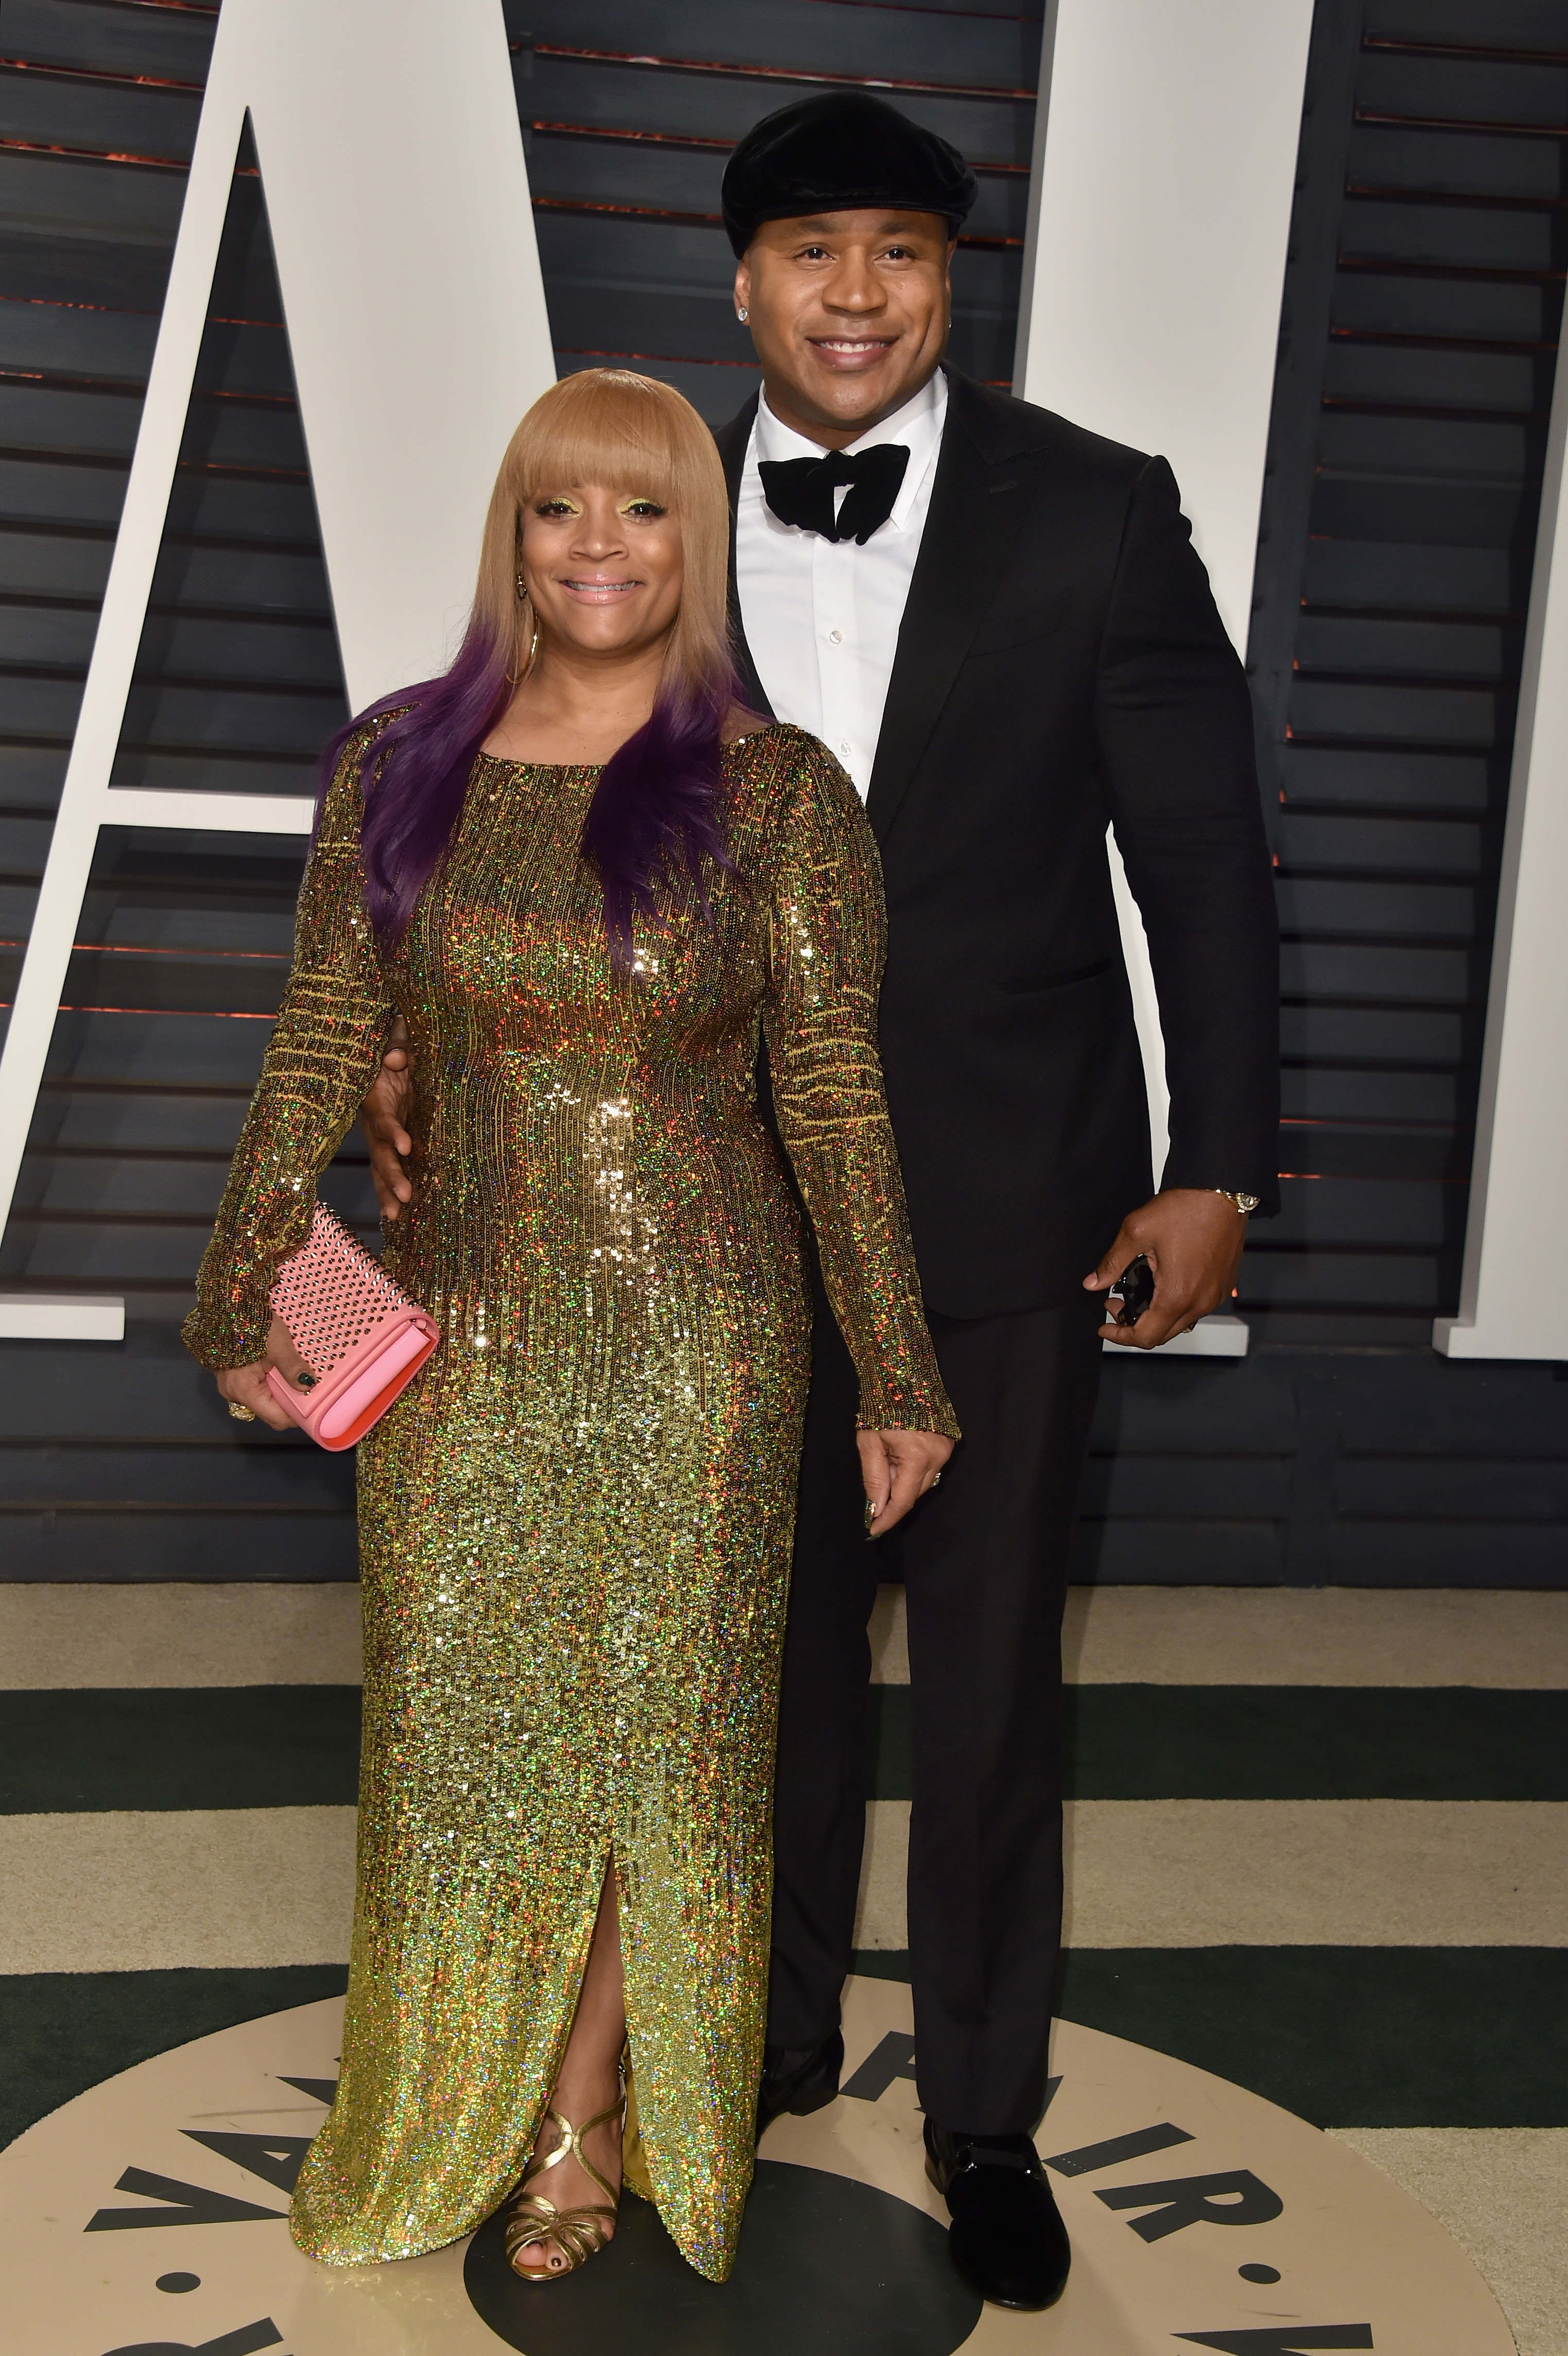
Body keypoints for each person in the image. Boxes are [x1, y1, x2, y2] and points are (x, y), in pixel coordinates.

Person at [364, 93, 1280, 2314]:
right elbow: (504, 815)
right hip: (694, 1235)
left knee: (988, 1692)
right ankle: (743, 2057)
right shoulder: (645, 509)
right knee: (733, 1684)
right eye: (811, 252)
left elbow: (1202, 860)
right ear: (743, 281)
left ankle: (981, 2112)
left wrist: (1216, 1163)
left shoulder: (1098, 508)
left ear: (949, 281)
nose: (856, 295)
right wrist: (411, 1052)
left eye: (900, 252)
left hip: (1017, 1200)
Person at [183, 366, 955, 2286]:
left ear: (698, 540)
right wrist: (242, 1279)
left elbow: (835, 1099)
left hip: (703, 1340)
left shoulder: (777, 792)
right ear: (514, 536)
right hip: (460, 1322)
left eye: (645, 508)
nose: (599, 545)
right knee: (459, 1724)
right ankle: (448, 2087)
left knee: (655, 1739)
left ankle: (581, 2115)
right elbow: (323, 1035)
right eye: (559, 507)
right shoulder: (397, 758)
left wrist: (899, 1369)